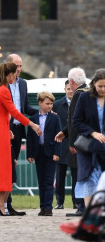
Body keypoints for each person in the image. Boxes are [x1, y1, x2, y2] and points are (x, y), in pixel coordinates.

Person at [0, 63, 41, 216]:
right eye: (15, 73)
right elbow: (14, 112)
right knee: (3, 167)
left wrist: (6, 128)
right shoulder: (4, 90)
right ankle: (0, 204)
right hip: (0, 132)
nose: (16, 76)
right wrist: (32, 124)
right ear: (10, 74)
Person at [55, 67, 87, 217]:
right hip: (89, 139)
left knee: (79, 174)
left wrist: (72, 143)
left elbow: (74, 121)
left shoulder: (77, 95)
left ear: (72, 82)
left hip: (80, 142)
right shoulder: (89, 92)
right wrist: (64, 131)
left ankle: (81, 205)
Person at [72, 68, 105, 207]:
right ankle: (89, 213)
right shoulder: (84, 98)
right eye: (100, 86)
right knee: (88, 179)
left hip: (103, 147)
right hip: (88, 146)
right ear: (93, 84)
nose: (103, 89)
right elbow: (77, 121)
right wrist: (93, 132)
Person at [27, 92, 62, 216]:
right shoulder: (33, 119)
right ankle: (42, 206)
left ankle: (48, 207)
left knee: (48, 181)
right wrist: (29, 154)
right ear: (40, 103)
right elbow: (30, 138)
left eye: (51, 103)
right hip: (38, 152)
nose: (50, 106)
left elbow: (59, 136)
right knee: (41, 181)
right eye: (47, 103)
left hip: (50, 152)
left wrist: (57, 152)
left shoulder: (55, 118)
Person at [53, 80, 77, 209]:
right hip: (61, 144)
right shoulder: (57, 105)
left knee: (76, 176)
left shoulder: (79, 104)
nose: (70, 91)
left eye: (72, 89)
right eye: (68, 89)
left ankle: (76, 202)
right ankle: (59, 202)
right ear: (64, 90)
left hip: (74, 144)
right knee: (60, 176)